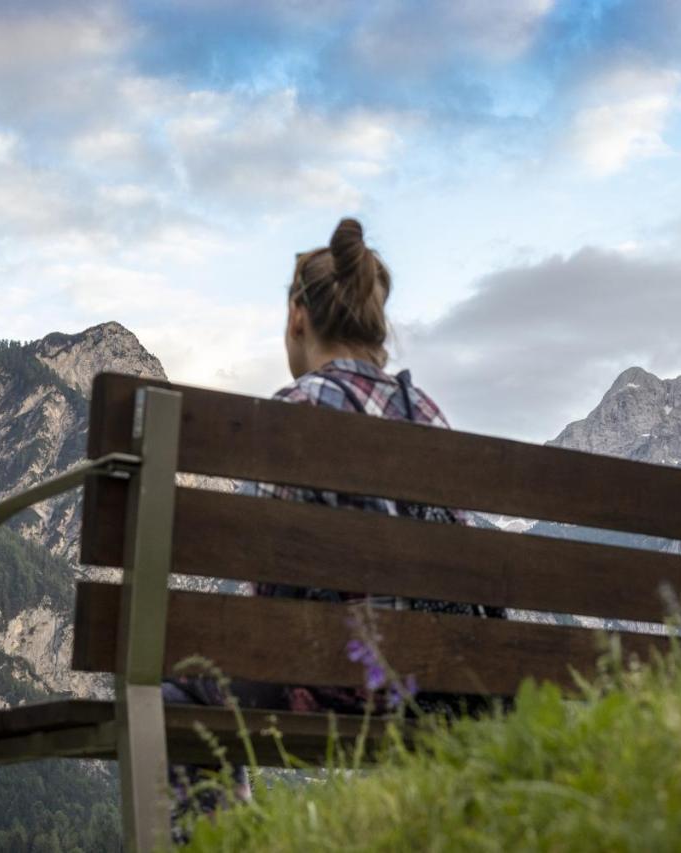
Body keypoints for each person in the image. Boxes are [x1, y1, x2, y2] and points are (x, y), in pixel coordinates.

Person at [164, 217, 501, 821]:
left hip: (327, 682)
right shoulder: (427, 414)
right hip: (443, 687)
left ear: (299, 316)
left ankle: (225, 838)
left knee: (179, 691)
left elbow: (270, 595)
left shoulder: (293, 412)